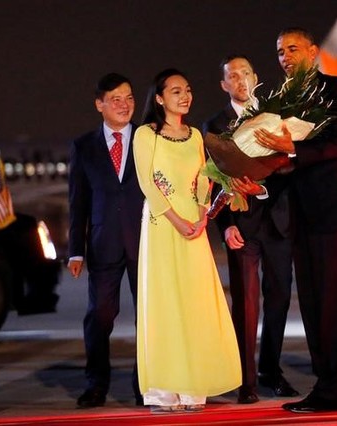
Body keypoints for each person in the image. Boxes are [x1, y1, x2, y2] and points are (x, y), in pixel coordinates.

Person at [254, 27, 337, 413]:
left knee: (331, 303)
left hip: (330, 210)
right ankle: (325, 386)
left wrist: (292, 148)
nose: (285, 56)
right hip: (298, 215)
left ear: (314, 52)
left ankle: (335, 390)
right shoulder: (280, 99)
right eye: (280, 51)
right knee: (314, 304)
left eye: (293, 49)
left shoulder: (333, 90)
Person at [133, 68, 241, 413]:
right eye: (176, 91)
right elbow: (148, 184)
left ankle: (195, 383)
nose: (184, 96)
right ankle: (166, 387)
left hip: (194, 226)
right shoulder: (145, 134)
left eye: (188, 90)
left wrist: (201, 216)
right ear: (160, 98)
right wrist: (178, 219)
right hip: (163, 224)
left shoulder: (196, 135)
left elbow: (202, 180)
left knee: (195, 301)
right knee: (166, 302)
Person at [202, 55, 296, 404]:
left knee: (280, 298)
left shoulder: (275, 115)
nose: (240, 80)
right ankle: (246, 381)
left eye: (245, 73)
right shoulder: (214, 125)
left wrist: (264, 187)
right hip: (240, 226)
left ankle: (270, 370)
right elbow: (211, 180)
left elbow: (291, 166)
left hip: (278, 222)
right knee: (245, 303)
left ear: (256, 78)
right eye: (232, 76)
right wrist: (224, 225)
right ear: (224, 85)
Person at [67, 73, 145, 408]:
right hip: (103, 243)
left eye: (129, 97)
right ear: (99, 105)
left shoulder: (147, 138)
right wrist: (75, 251)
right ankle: (96, 383)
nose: (124, 104)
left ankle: (146, 382)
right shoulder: (83, 146)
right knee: (100, 314)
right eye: (115, 99)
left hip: (146, 241)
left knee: (149, 316)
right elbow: (77, 202)